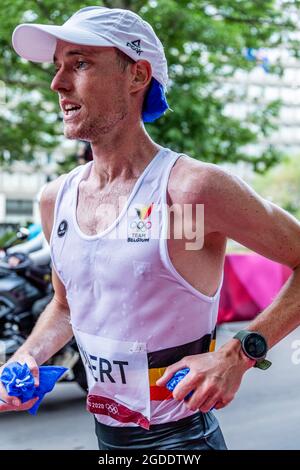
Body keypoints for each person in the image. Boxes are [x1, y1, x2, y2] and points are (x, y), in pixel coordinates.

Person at [1, 6, 300, 451]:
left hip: (183, 442)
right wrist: (29, 354)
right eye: (58, 66)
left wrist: (240, 354)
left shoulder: (193, 189)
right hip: (106, 439)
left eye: (80, 63)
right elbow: (66, 306)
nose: (58, 83)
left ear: (137, 76)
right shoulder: (54, 199)